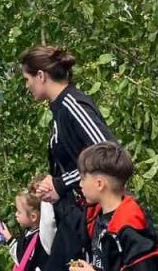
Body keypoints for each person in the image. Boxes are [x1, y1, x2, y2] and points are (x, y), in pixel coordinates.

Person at [20, 46, 115, 271]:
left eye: (27, 79)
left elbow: (109, 152)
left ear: (41, 76)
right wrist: (49, 184)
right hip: (74, 215)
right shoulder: (59, 110)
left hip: (93, 215)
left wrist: (61, 183)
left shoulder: (73, 105)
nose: (27, 86)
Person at [62, 142, 158, 271]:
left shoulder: (131, 229)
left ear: (99, 184)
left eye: (82, 178)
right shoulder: (96, 216)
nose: (80, 184)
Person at [11, 176, 50, 271]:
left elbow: (22, 261)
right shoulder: (29, 232)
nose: (16, 214)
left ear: (33, 217)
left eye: (19, 212)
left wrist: (9, 240)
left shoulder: (40, 239)